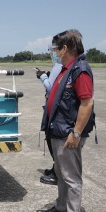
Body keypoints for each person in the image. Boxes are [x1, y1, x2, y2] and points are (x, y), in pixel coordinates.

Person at [37, 29, 95, 212]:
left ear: (65, 48)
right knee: (61, 175)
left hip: (68, 133)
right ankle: (62, 207)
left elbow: (87, 103)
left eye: (55, 49)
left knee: (71, 178)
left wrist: (76, 133)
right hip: (58, 130)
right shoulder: (66, 69)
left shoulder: (80, 70)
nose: (54, 53)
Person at [36, 36, 63, 186]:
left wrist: (42, 77)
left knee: (52, 139)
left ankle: (57, 173)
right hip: (53, 107)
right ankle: (55, 169)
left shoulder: (58, 67)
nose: (52, 53)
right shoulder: (58, 66)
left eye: (53, 50)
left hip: (52, 109)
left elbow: (51, 88)